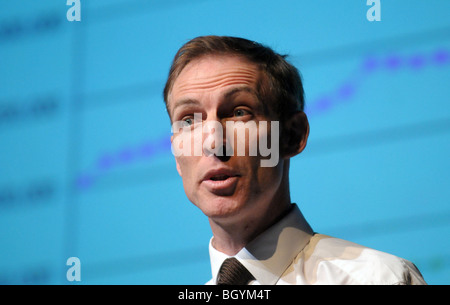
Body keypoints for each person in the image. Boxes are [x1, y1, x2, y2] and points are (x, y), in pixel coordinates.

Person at [162, 35, 426, 285]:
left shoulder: (378, 279)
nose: (213, 143)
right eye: (189, 120)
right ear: (176, 153)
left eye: (239, 112)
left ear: (291, 135)